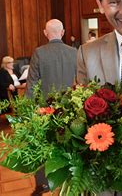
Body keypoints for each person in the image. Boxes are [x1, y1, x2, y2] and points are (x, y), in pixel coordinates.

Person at [26, 19, 77, 196]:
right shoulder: (75, 52)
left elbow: (32, 85)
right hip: (72, 110)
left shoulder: (39, 53)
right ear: (62, 33)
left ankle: (44, 185)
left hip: (45, 112)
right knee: (70, 147)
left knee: (44, 148)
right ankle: (70, 183)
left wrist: (28, 113)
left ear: (45, 33)